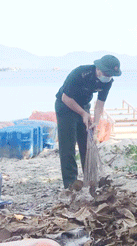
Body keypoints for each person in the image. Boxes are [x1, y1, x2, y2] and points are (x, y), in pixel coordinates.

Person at [55, 55, 121, 189]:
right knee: (68, 146)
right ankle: (70, 183)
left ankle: (90, 179)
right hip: (66, 107)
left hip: (84, 105)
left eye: (111, 75)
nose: (108, 77)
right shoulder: (79, 73)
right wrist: (82, 113)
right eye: (106, 73)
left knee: (87, 143)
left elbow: (99, 104)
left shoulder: (107, 82)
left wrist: (95, 123)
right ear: (98, 69)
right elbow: (65, 98)